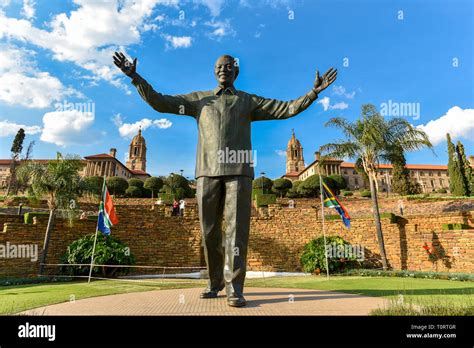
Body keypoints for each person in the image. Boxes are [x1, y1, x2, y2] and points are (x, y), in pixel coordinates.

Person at [113, 52, 336, 307]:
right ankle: (215, 280)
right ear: (214, 71)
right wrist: (134, 77)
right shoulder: (199, 100)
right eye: (219, 66)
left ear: (236, 72)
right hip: (206, 171)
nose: (223, 70)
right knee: (209, 231)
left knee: (236, 232)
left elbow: (285, 108)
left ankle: (234, 287)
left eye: (228, 67)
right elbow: (159, 102)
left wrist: (312, 93)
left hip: (239, 171)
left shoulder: (248, 101)